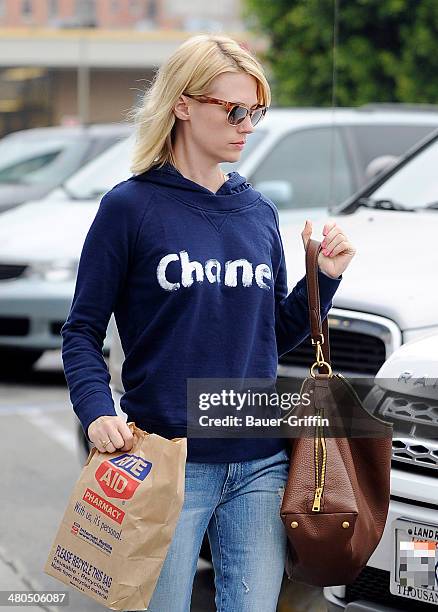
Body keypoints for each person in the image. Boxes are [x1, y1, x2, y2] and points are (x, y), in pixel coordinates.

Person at [61, 33, 356, 612]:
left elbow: (271, 333)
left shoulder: (257, 212)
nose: (248, 124)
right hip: (169, 464)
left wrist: (324, 278)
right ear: (183, 104)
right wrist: (96, 412)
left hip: (261, 463)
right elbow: (81, 332)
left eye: (257, 111)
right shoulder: (130, 208)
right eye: (235, 109)